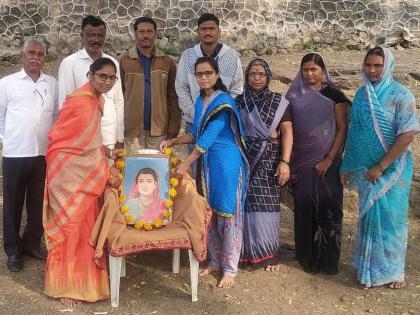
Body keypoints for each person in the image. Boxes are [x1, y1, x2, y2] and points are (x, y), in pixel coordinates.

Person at [160, 56, 249, 288]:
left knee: (228, 213)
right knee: (210, 213)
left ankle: (230, 268)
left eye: (208, 73)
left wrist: (186, 163)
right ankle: (215, 261)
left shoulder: (224, 102)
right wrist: (173, 140)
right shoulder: (201, 101)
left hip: (226, 164)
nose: (204, 77)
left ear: (217, 75)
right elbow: (196, 135)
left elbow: (208, 139)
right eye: (199, 74)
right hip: (208, 165)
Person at [43, 58, 121, 306]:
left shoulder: (95, 98)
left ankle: (88, 283)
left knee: (85, 226)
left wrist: (108, 154)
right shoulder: (81, 100)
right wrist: (106, 170)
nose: (107, 82)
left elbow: (89, 140)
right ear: (90, 75)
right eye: (102, 76)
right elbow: (70, 140)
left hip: (83, 167)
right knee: (70, 226)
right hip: (68, 170)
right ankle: (66, 286)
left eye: (112, 78)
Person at [340, 47, 419, 289]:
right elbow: (356, 132)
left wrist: (381, 166)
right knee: (369, 220)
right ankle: (369, 271)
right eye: (368, 65)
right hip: (366, 169)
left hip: (392, 170)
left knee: (391, 220)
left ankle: (393, 273)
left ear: (388, 66)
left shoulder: (401, 95)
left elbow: (407, 134)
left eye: (377, 65)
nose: (372, 70)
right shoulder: (363, 93)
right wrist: (348, 164)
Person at [285, 53, 350, 275]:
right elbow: (288, 128)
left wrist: (329, 158)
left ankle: (327, 261)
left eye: (314, 69)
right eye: (305, 70)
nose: (310, 74)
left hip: (327, 162)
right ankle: (306, 256)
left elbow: (342, 129)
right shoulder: (294, 95)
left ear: (323, 70)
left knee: (328, 210)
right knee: (303, 208)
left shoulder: (334, 96)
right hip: (301, 163)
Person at [0, 39, 58, 272]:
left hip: (43, 153)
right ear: (22, 56)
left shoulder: (52, 83)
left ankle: (32, 244)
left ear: (45, 58)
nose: (35, 57)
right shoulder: (7, 83)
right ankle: (13, 250)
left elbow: (55, 116)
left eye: (40, 54)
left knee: (38, 203)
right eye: (31, 53)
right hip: (15, 152)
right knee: (13, 204)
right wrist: (6, 140)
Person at [237, 59, 293, 271]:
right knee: (245, 203)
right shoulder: (239, 101)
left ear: (268, 76)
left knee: (267, 204)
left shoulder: (278, 101)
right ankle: (243, 251)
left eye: (261, 74)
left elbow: (287, 132)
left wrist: (285, 162)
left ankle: (268, 254)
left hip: (269, 160)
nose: (257, 78)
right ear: (246, 76)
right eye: (252, 74)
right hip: (244, 158)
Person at [175, 13, 243, 175]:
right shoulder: (188, 56)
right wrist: (196, 112)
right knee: (198, 172)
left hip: (223, 125)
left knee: (220, 171)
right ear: (198, 32)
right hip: (194, 122)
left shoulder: (231, 57)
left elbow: (237, 88)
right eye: (204, 29)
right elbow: (181, 88)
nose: (208, 32)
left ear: (219, 31)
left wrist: (220, 109)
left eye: (211, 29)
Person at [58, 15, 124, 150]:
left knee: (110, 171)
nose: (96, 39)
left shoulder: (113, 63)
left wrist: (119, 136)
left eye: (100, 36)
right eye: (91, 35)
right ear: (82, 36)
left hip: (109, 134)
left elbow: (118, 100)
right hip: (82, 135)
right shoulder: (70, 63)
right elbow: (65, 103)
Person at [119, 16, 181, 151]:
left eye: (149, 31)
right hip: (132, 131)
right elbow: (118, 95)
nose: (145, 35)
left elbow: (173, 96)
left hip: (159, 132)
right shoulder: (124, 60)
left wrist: (173, 128)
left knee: (158, 170)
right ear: (135, 34)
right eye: (141, 32)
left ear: (155, 34)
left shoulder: (166, 62)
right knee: (130, 170)